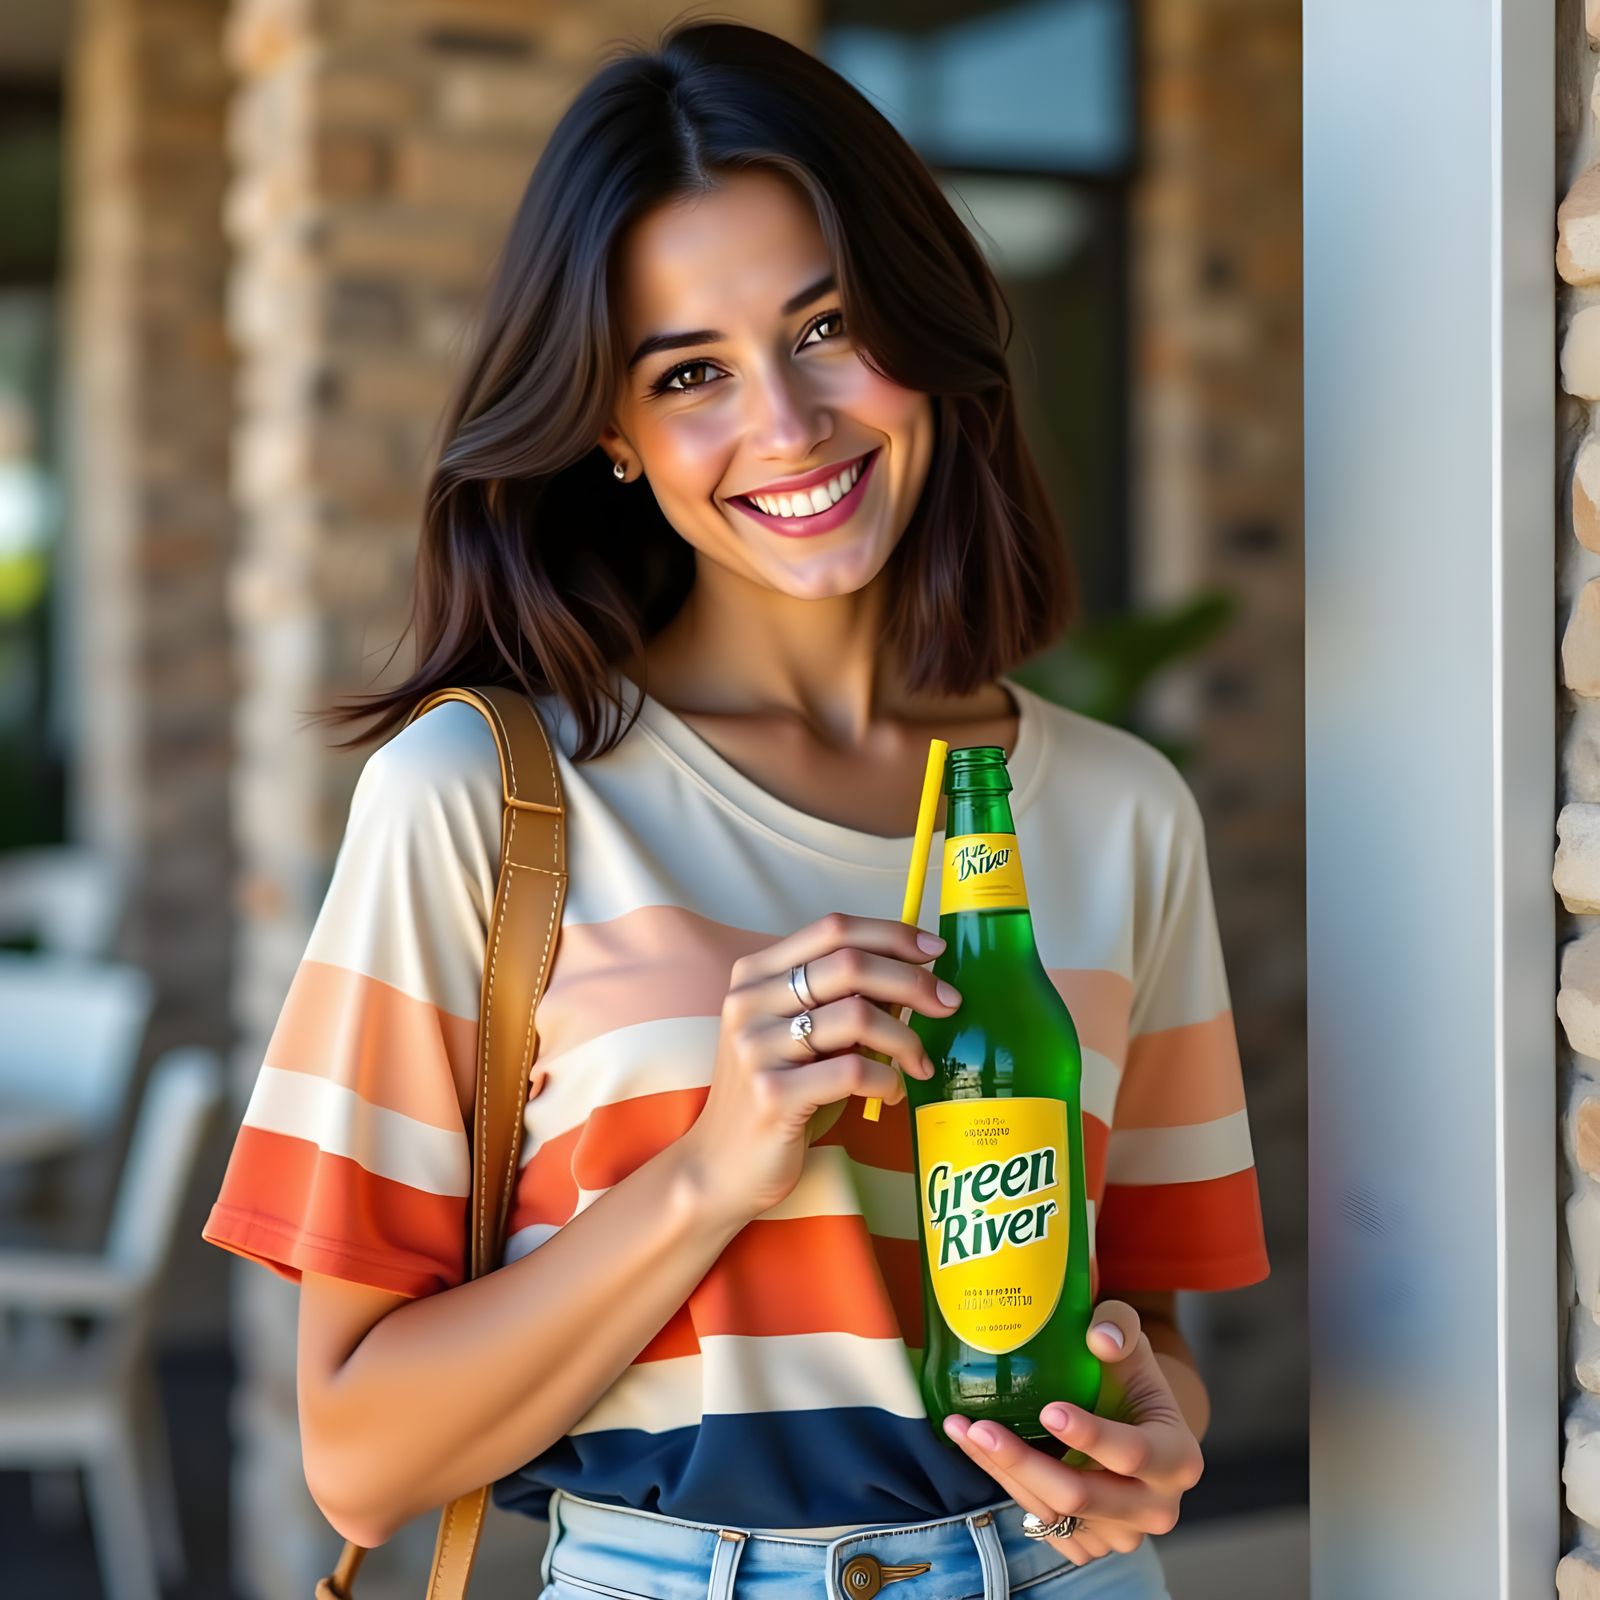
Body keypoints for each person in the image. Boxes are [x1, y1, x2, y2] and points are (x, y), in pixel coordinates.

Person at [202, 19, 1271, 1599]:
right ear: (615, 439)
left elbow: (1141, 1333)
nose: (785, 423)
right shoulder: (482, 805)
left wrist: (1138, 1453)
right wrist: (714, 1165)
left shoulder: (1121, 814)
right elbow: (357, 1454)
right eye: (689, 371)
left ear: (923, 325)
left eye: (827, 325)